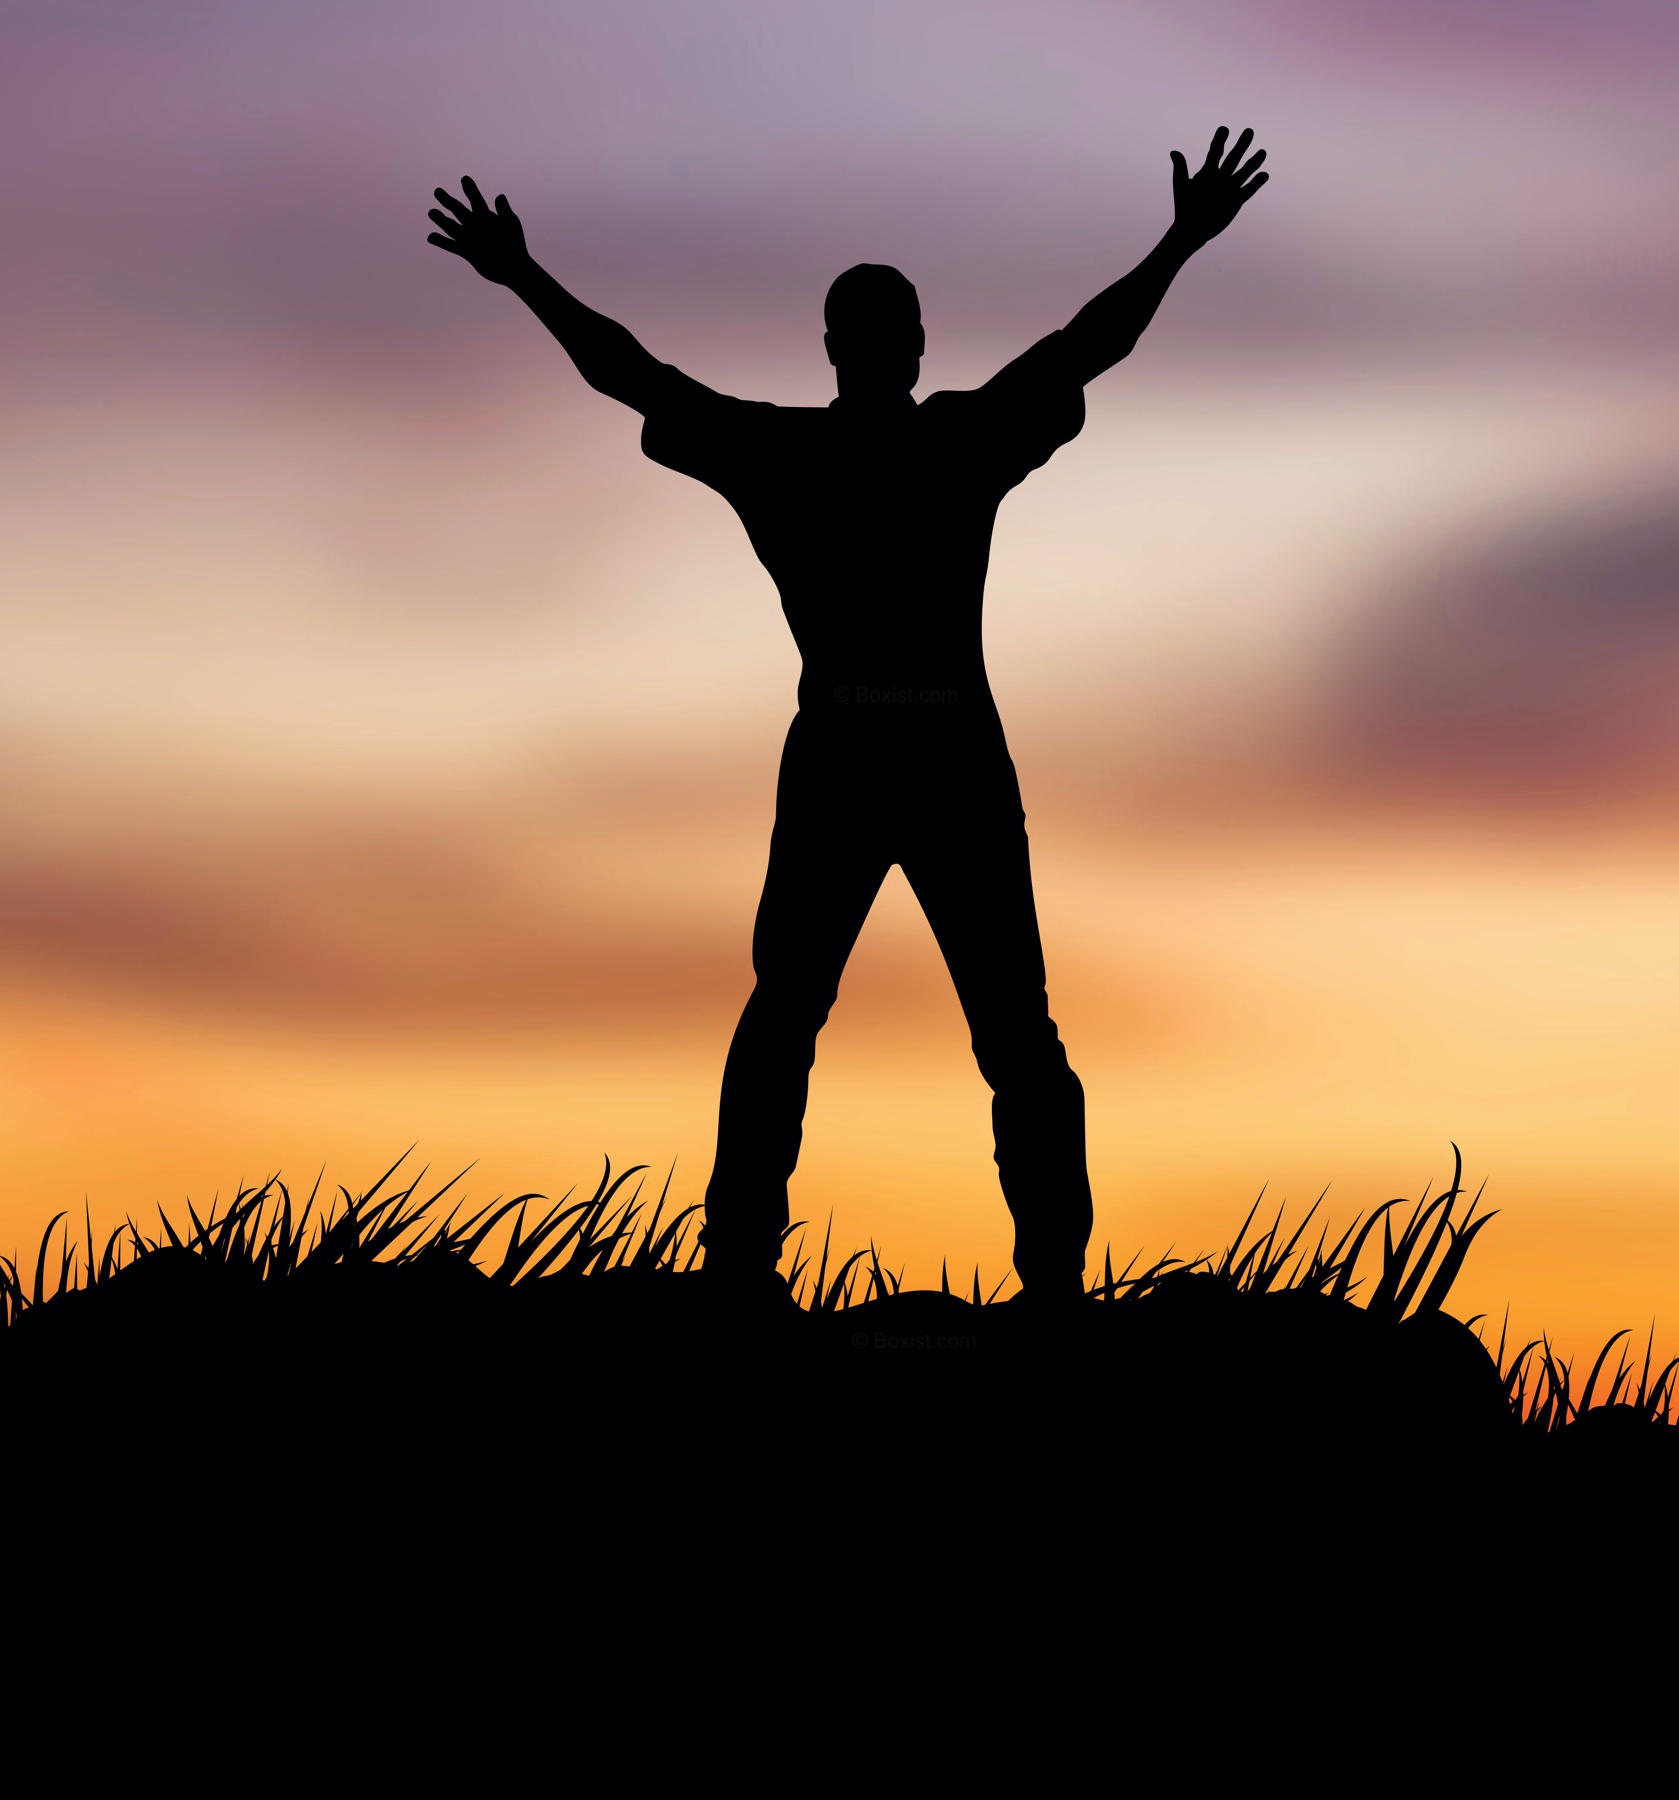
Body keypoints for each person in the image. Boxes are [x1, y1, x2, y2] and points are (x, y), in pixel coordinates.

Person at [426, 129, 1271, 1300]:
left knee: (801, 1016)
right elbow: (1089, 346)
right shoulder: (954, 440)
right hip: (938, 745)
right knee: (1003, 1033)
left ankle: (746, 1269)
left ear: (833, 349)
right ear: (913, 347)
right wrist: (1180, 242)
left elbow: (630, 373)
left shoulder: (783, 454)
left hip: (849, 744)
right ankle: (1047, 1290)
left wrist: (523, 278)